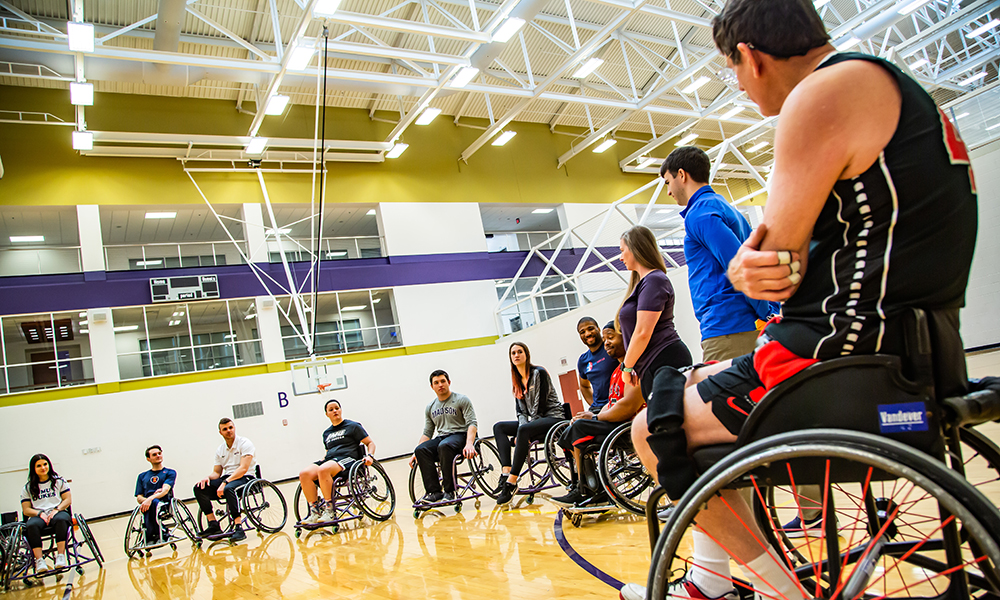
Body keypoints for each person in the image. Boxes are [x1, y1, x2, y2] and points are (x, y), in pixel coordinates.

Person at [620, 0, 977, 598]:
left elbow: (772, 264)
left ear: (753, 58)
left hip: (844, 354)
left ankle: (784, 590)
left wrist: (751, 264)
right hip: (913, 341)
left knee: (649, 429)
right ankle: (708, 582)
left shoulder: (821, 94)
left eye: (733, 70)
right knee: (685, 389)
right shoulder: (890, 85)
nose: (737, 85)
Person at [661, 145, 778, 360]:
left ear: (681, 175)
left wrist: (767, 312)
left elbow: (741, 265)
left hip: (729, 330)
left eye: (668, 182)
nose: (668, 191)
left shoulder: (700, 214)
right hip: (739, 325)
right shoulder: (725, 208)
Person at [552, 322, 645, 508]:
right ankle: (585, 485)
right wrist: (590, 413)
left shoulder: (635, 367)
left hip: (629, 426)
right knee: (574, 426)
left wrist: (594, 418)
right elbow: (608, 402)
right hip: (611, 417)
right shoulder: (617, 372)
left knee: (579, 429)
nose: (607, 343)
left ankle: (586, 487)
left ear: (625, 338)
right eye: (606, 338)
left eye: (611, 337)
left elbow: (627, 408)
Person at [616, 224, 694, 397]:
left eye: (623, 250)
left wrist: (627, 367)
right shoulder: (643, 283)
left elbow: (643, 332)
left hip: (664, 358)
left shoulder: (654, 280)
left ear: (635, 248)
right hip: (651, 365)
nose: (621, 257)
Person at [492, 342, 564, 506]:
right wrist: (521, 430)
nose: (516, 355)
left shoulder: (539, 373)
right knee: (499, 427)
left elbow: (540, 405)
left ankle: (511, 483)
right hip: (533, 422)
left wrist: (523, 432)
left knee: (523, 430)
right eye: (513, 353)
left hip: (553, 417)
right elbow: (521, 412)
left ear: (526, 355)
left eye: (519, 352)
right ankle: (506, 471)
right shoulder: (517, 380)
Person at [299, 398, 376, 524]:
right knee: (304, 473)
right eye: (331, 410)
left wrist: (370, 456)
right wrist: (323, 459)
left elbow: (370, 443)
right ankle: (315, 511)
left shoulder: (353, 426)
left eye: (337, 408)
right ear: (327, 414)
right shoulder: (326, 433)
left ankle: (330, 510)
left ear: (341, 410)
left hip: (348, 459)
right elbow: (328, 451)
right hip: (330, 460)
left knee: (323, 469)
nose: (335, 411)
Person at [410, 370, 479, 504]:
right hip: (443, 438)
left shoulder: (461, 400)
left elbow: (472, 423)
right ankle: (434, 492)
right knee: (421, 450)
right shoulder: (430, 407)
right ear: (432, 386)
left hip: (461, 436)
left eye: (443, 381)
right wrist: (415, 451)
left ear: (449, 382)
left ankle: (449, 491)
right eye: (436, 382)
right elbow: (427, 432)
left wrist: (470, 443)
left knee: (444, 445)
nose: (440, 385)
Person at [194, 418, 256, 542]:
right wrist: (207, 477)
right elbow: (217, 472)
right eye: (225, 429)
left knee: (228, 488)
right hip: (226, 478)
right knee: (199, 488)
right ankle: (213, 524)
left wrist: (225, 483)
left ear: (234, 428)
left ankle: (239, 527)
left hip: (246, 477)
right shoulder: (220, 450)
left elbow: (243, 468)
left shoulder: (245, 443)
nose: (228, 431)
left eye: (230, 428)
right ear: (220, 432)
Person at [20, 454, 72, 573]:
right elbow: (26, 509)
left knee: (61, 520)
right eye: (39, 466)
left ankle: (60, 556)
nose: (43, 467)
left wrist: (56, 509)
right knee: (31, 525)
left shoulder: (59, 481)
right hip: (39, 515)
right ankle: (39, 561)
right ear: (33, 468)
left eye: (45, 464)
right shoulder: (28, 488)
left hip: (58, 512)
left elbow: (67, 500)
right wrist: (39, 514)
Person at [134, 445, 177, 545]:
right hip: (147, 505)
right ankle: (156, 533)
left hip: (164, 504)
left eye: (159, 453)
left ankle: (153, 534)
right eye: (154, 455)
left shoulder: (170, 472)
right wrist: (147, 501)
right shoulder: (142, 476)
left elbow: (165, 490)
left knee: (154, 502)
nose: (158, 455)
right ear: (148, 459)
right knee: (150, 503)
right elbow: (139, 497)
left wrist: (150, 499)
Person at [576, 316, 617, 413]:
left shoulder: (611, 348)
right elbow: (584, 386)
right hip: (598, 408)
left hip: (614, 404)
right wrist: (594, 404)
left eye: (590, 329)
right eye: (582, 332)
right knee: (575, 424)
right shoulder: (583, 360)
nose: (587, 334)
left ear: (598, 329)